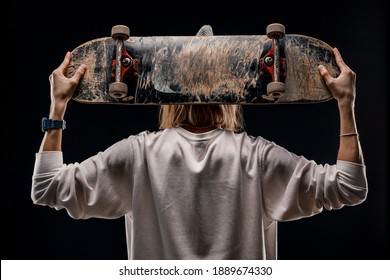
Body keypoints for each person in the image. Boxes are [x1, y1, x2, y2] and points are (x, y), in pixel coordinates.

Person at [31, 26, 367, 260]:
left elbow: (46, 188)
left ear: (165, 95)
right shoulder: (256, 157)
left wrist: (57, 106)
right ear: (232, 94)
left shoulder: (139, 155)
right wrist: (345, 105)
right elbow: (350, 187)